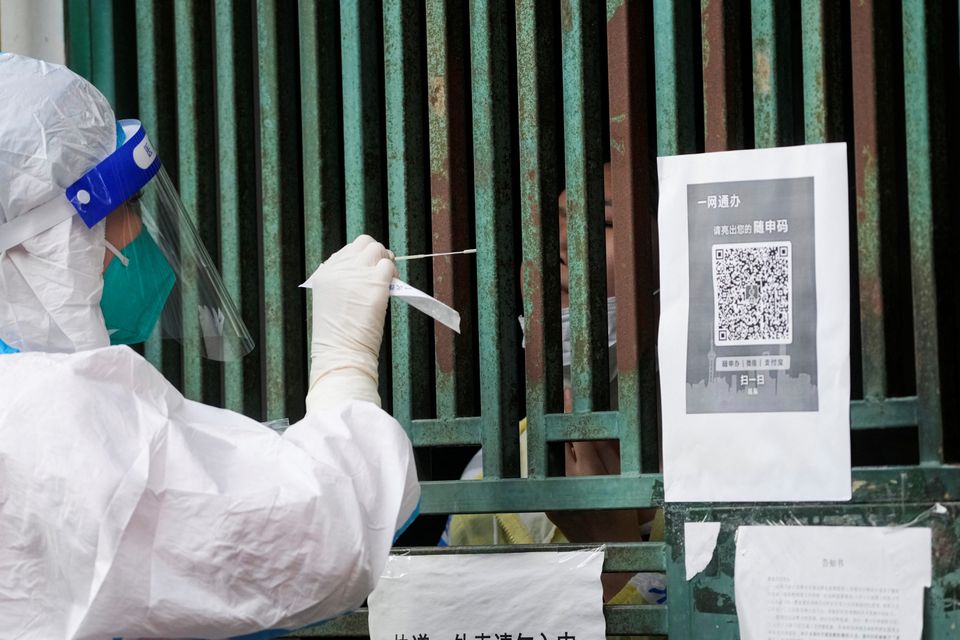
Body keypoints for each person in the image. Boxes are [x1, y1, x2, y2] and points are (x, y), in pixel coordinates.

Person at [0, 53, 419, 640]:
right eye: (121, 210)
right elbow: (312, 539)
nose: (137, 233)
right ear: (42, 243)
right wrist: (343, 369)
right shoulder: (50, 416)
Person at [441, 164, 665, 611]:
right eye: (549, 224)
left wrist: (616, 553)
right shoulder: (492, 474)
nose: (558, 244)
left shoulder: (732, 468)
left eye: (601, 222)